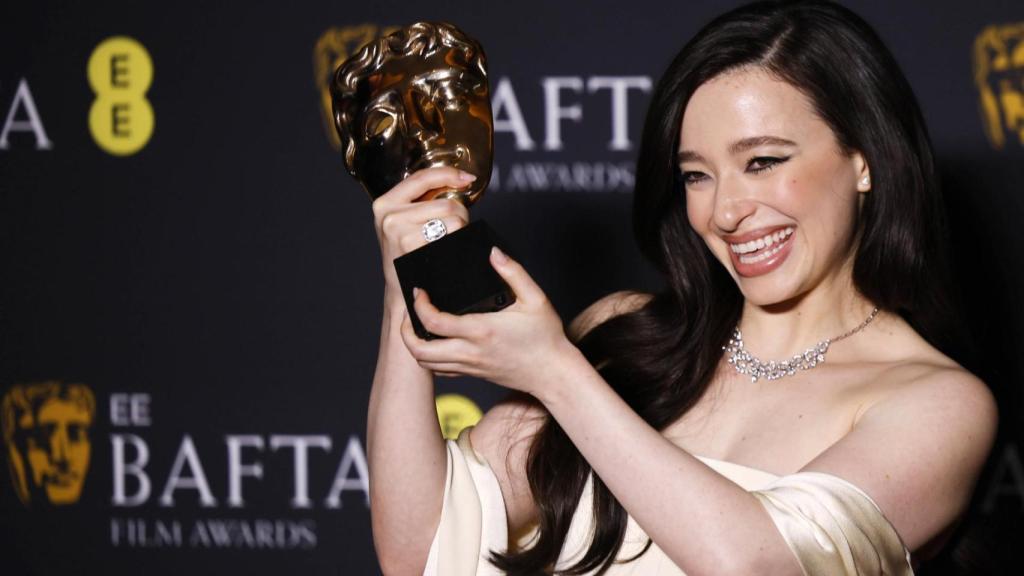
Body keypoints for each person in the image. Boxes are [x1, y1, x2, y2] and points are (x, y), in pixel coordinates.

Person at [365, 1, 998, 574]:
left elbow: (754, 565)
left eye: (763, 162)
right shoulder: (622, 336)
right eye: (697, 176)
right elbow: (418, 550)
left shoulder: (939, 404)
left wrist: (555, 372)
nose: (724, 211)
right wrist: (408, 276)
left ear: (863, 161)